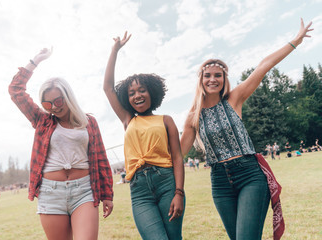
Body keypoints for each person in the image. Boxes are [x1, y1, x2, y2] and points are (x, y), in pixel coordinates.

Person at [181, 19, 312, 240]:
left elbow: (263, 66)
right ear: (200, 80)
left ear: (224, 79)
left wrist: (295, 41)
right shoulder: (193, 116)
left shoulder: (234, 98)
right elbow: (177, 153)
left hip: (249, 175)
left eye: (218, 75)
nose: (213, 79)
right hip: (219, 182)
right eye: (208, 75)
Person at [9, 48, 114, 240]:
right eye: (47, 104)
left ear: (68, 96)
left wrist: (107, 193)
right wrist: (35, 61)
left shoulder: (88, 122)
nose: (54, 107)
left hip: (84, 190)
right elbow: (16, 90)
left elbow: (101, 158)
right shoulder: (42, 121)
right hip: (51, 193)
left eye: (58, 100)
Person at [104, 32, 185, 240]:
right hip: (139, 191)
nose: (137, 95)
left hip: (167, 183)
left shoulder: (166, 120)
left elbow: (177, 157)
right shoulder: (128, 119)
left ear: (152, 93)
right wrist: (115, 50)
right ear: (127, 98)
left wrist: (179, 193)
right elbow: (107, 88)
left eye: (141, 90)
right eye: (131, 93)